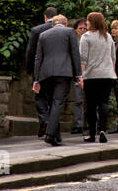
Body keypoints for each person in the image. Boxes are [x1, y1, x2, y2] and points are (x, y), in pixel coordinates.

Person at [33, 13, 83, 146]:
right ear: (65, 23)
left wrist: (36, 79)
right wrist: (79, 75)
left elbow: (38, 58)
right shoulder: (70, 32)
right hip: (63, 72)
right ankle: (50, 134)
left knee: (51, 104)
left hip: (46, 74)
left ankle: (56, 135)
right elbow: (75, 54)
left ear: (53, 24)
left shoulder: (43, 35)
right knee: (58, 103)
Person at [79, 12, 116, 143]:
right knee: (103, 103)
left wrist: (81, 76)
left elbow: (83, 59)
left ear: (92, 22)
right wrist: (112, 71)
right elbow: (113, 57)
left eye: (88, 21)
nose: (86, 24)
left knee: (91, 105)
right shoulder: (108, 37)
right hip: (107, 75)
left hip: (91, 75)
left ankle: (91, 133)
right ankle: (102, 130)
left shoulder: (86, 37)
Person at [25, 5, 58, 137]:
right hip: (58, 70)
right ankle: (52, 125)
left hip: (40, 69)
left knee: (39, 96)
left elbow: (30, 51)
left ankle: (44, 120)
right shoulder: (63, 31)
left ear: (45, 17)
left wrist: (30, 69)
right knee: (54, 98)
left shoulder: (36, 30)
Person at [69, 17, 88, 131]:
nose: (82, 30)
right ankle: (78, 125)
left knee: (90, 101)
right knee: (78, 101)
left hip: (89, 74)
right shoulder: (74, 42)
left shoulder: (89, 40)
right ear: (76, 29)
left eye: (84, 28)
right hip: (77, 75)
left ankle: (91, 124)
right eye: (80, 28)